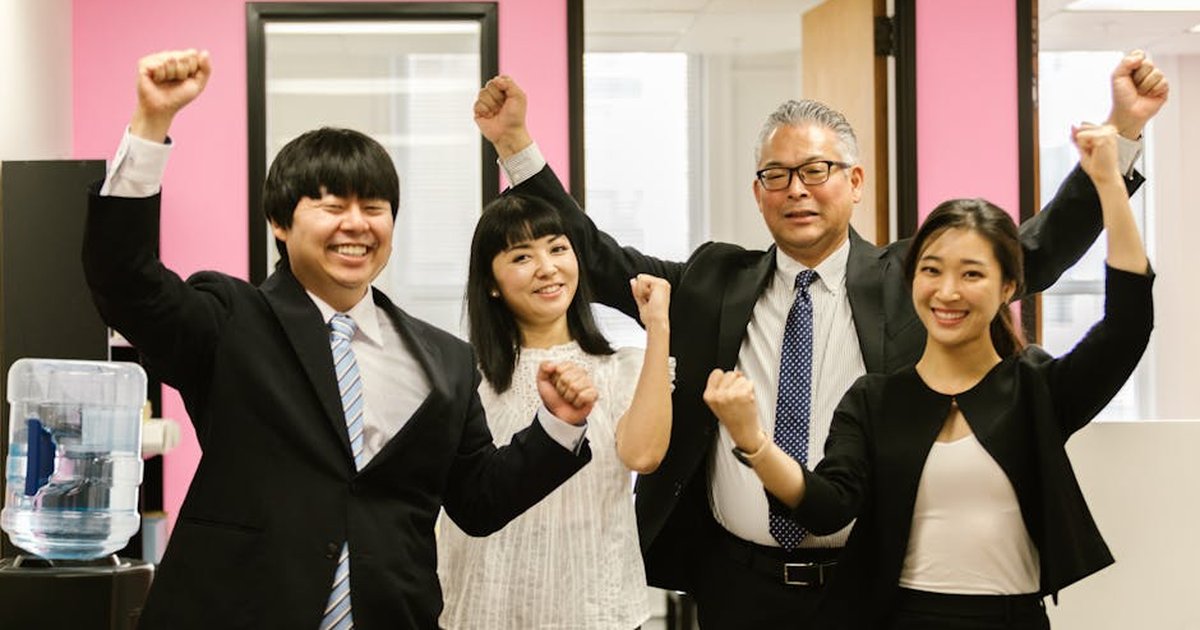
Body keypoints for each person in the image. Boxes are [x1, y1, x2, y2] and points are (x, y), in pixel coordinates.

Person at [471, 50, 1168, 627]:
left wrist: (1122, 135)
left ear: (855, 181)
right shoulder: (715, 280)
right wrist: (514, 146)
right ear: (758, 192)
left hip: (876, 582)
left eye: (816, 171)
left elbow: (1033, 254)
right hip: (735, 583)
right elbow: (598, 260)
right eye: (776, 176)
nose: (796, 190)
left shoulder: (912, 277)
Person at [83, 49, 597, 630]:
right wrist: (151, 127)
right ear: (280, 222)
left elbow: (478, 501)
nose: (357, 224)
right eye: (332, 206)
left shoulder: (447, 361)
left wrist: (557, 425)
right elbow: (126, 283)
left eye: (374, 208)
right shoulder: (231, 319)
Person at [703, 122, 1153, 629]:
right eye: (932, 270)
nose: (948, 292)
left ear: (1009, 287)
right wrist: (753, 441)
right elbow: (826, 509)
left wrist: (1111, 186)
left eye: (972, 274)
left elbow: (1126, 328)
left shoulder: (1033, 390)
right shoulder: (875, 399)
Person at [436, 193, 673, 629]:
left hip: (597, 610)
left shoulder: (624, 366)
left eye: (558, 248)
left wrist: (658, 327)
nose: (547, 267)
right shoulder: (465, 373)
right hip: (488, 607)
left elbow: (644, 455)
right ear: (491, 281)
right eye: (522, 256)